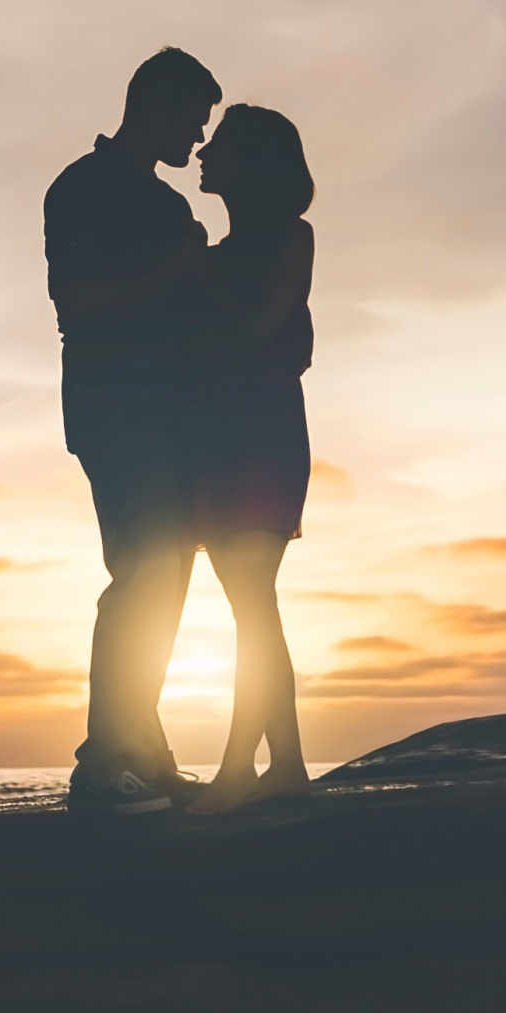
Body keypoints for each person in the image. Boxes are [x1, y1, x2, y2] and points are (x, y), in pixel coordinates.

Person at [43, 48, 224, 813]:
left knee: (167, 579)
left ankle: (144, 755)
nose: (199, 136)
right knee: (142, 572)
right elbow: (78, 302)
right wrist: (176, 272)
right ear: (155, 106)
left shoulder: (169, 206)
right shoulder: (81, 188)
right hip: (116, 412)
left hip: (172, 417)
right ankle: (104, 764)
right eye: (194, 119)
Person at [180, 105, 317, 815]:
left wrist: (194, 272)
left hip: (263, 436)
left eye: (221, 146)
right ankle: (285, 763)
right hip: (219, 440)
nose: (204, 153)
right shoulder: (211, 253)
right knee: (253, 607)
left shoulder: (291, 236)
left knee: (254, 603)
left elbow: (261, 327)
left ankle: (240, 768)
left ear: (253, 163)